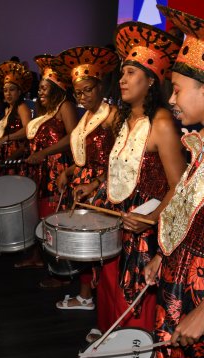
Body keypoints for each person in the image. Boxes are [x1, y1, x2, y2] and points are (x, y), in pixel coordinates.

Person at [96, 21, 186, 337]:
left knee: (131, 303)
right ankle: (109, 345)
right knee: (108, 291)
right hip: (115, 220)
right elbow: (120, 171)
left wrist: (150, 219)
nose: (122, 79)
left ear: (150, 81)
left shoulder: (161, 123)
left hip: (143, 232)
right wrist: (95, 187)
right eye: (121, 73)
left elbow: (180, 186)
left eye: (131, 72)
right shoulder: (122, 119)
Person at [144, 6, 204, 358]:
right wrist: (162, 256)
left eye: (178, 88)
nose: (170, 98)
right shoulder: (199, 146)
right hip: (183, 286)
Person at [52, 46, 119, 311]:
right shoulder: (87, 116)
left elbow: (118, 160)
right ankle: (86, 296)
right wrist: (66, 172)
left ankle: (98, 303)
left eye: (88, 90)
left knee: (97, 250)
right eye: (79, 92)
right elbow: (82, 155)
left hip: (100, 188)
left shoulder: (111, 116)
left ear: (100, 86)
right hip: (83, 186)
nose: (83, 96)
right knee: (84, 246)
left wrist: (96, 182)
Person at [14, 54, 78, 276]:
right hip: (40, 167)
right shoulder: (47, 111)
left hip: (55, 168)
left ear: (56, 88)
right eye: (38, 88)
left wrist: (43, 153)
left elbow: (72, 138)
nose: (39, 92)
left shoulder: (65, 106)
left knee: (53, 217)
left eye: (43, 88)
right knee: (39, 214)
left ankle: (59, 271)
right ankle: (39, 257)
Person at [0, 61, 32, 173]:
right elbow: (0, 134)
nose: (8, 93)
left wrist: (6, 138)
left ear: (19, 92)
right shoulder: (6, 109)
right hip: (2, 157)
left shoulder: (21, 107)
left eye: (12, 90)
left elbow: (28, 130)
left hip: (14, 158)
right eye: (5, 90)